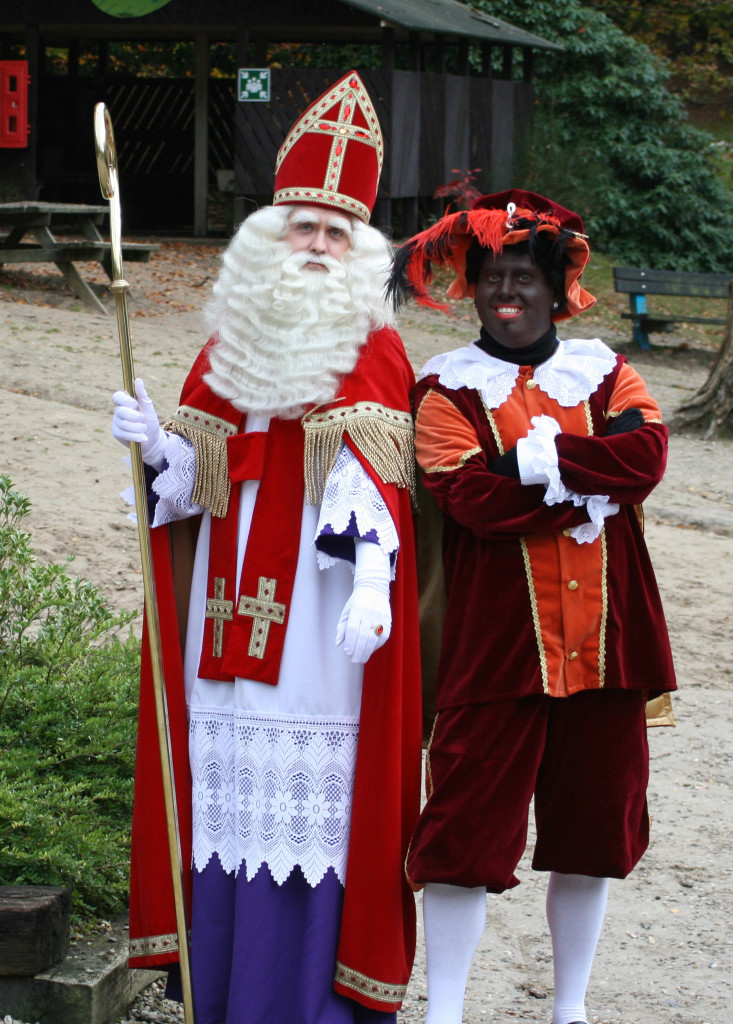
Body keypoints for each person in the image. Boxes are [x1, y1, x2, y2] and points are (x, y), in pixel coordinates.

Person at [111, 71, 422, 1024]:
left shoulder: (371, 344)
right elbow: (197, 487)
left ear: (360, 248)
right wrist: (159, 444)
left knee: (309, 819)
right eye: (302, 227)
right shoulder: (229, 342)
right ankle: (222, 994)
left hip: (319, 628)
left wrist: (373, 579)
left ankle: (301, 1002)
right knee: (224, 799)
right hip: (224, 616)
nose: (318, 246)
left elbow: (373, 483)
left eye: (337, 233)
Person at [387, 189, 676, 1024]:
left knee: (591, 832)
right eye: (491, 278)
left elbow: (647, 456)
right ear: (472, 288)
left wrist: (535, 461)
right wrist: (578, 477)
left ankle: (570, 1008)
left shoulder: (604, 368)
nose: (505, 293)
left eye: (522, 278)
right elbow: (467, 496)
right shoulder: (443, 387)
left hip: (606, 639)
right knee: (461, 835)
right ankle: (445, 1009)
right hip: (495, 644)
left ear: (555, 290)